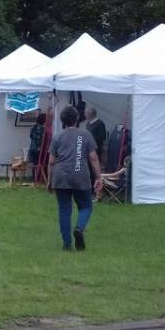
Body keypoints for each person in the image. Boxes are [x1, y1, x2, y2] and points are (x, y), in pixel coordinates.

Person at [48, 104, 103, 251]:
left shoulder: (57, 137)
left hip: (61, 177)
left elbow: (51, 162)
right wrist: (99, 177)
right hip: (80, 175)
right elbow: (93, 158)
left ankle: (67, 244)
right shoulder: (86, 135)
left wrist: (49, 181)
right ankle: (79, 228)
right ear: (78, 118)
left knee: (64, 210)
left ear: (62, 120)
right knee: (86, 206)